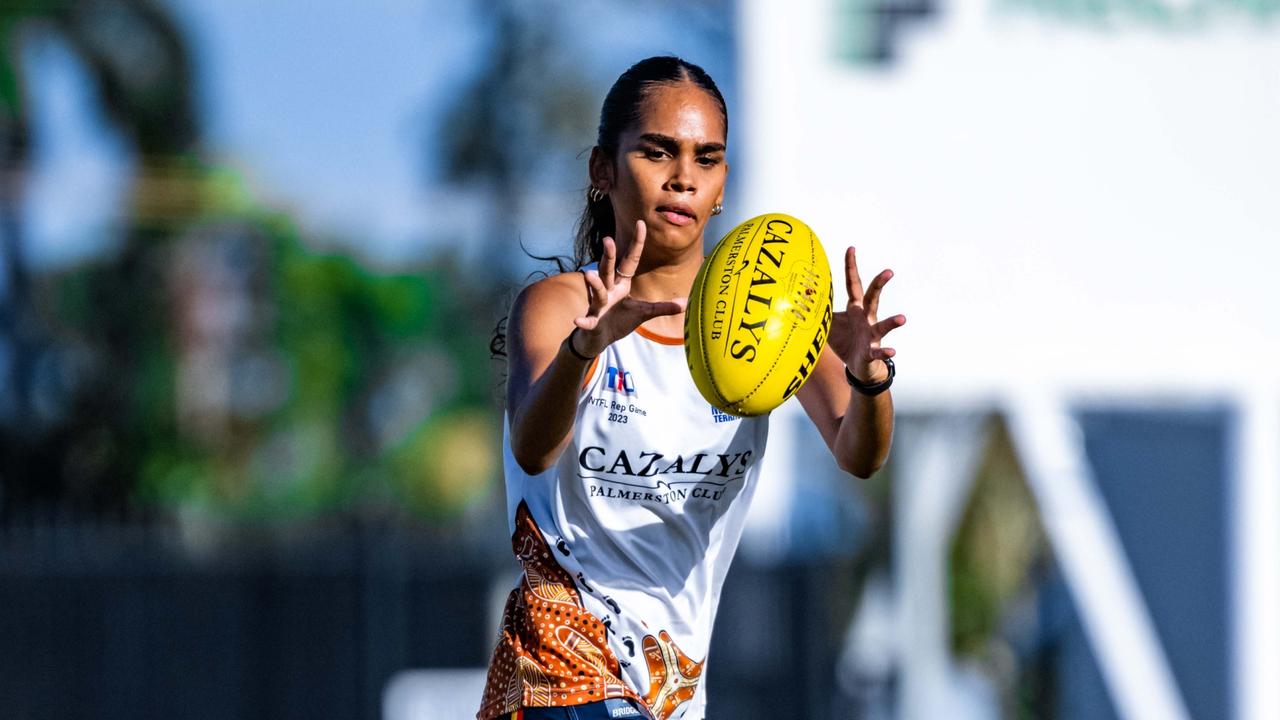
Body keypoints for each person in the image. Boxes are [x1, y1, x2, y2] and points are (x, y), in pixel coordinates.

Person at [477, 56, 905, 720]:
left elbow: (860, 454)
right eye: (657, 152)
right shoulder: (561, 307)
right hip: (561, 679)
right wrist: (585, 348)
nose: (683, 178)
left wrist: (870, 374)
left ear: (723, 182)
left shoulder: (769, 326)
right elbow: (534, 447)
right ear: (602, 170)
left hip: (670, 694)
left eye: (706, 159)